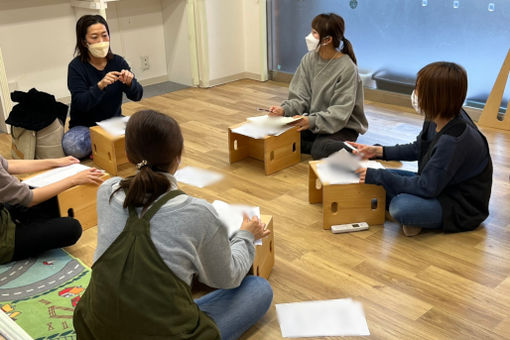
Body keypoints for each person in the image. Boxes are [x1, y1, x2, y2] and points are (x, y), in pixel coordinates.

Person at [73, 110, 273, 340]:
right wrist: (245, 236)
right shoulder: (197, 212)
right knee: (258, 288)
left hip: (93, 331)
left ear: (127, 155)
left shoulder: (107, 191)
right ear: (178, 158)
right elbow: (227, 278)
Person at [352, 62, 492, 236]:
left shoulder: (454, 140)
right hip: (437, 183)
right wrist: (379, 152)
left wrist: (381, 176)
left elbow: (427, 187)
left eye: (418, 89)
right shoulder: (437, 115)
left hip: (458, 204)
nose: (414, 94)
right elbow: (419, 147)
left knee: (400, 206)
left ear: (435, 96)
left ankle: (418, 218)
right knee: (379, 180)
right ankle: (418, 217)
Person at [269, 13, 368, 160]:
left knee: (320, 150)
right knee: (280, 136)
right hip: (316, 122)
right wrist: (284, 110)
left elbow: (339, 112)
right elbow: (300, 96)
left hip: (343, 126)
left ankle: (368, 152)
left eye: (314, 33)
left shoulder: (347, 68)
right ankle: (319, 144)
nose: (309, 36)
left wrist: (312, 121)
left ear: (327, 40)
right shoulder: (308, 59)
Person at [63, 14, 143, 159]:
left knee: (147, 130)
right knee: (73, 146)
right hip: (85, 127)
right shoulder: (76, 67)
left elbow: (137, 96)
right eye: (94, 37)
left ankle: (103, 147)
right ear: (84, 41)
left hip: (114, 122)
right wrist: (100, 86)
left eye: (104, 36)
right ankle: (106, 146)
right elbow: (81, 103)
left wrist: (131, 83)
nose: (101, 41)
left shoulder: (118, 62)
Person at [0, 156, 104, 264]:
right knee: (71, 228)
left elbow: (8, 164)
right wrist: (73, 179)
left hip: (4, 214)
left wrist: (55, 162)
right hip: (3, 240)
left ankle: (28, 225)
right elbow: (31, 198)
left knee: (50, 197)